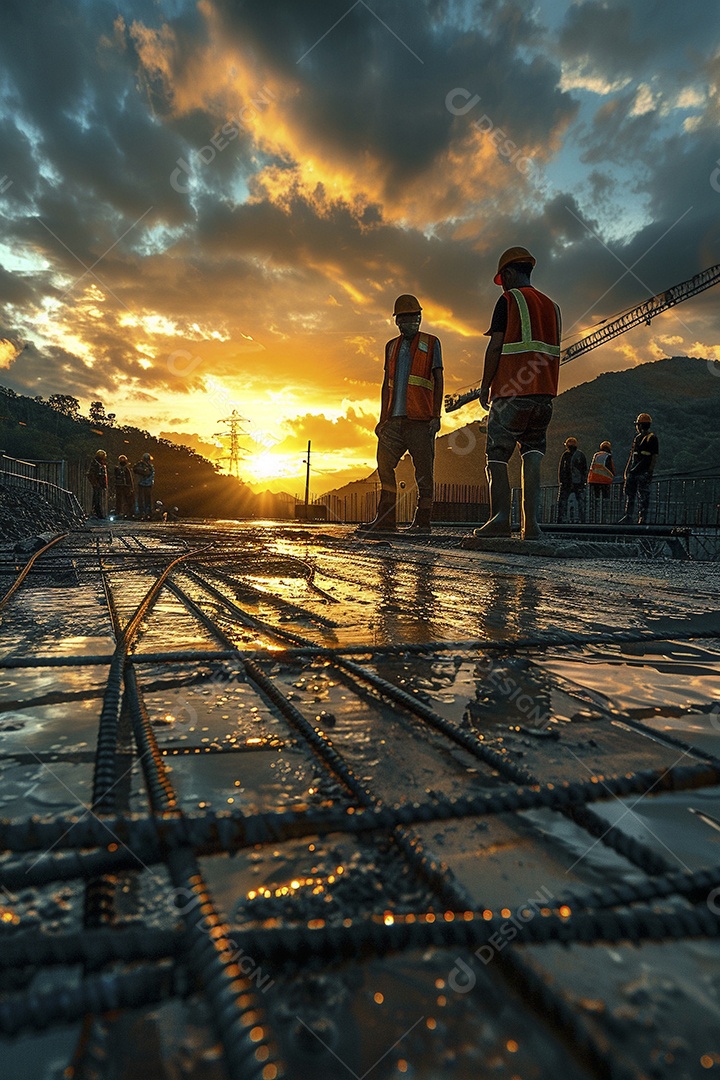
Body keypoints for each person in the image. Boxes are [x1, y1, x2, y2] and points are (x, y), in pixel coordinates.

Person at [474, 246, 562, 541]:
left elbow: (496, 346)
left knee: (497, 454)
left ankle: (499, 519)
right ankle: (532, 526)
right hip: (544, 397)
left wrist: (486, 385)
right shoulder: (552, 306)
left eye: (503, 278)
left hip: (512, 392)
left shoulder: (509, 300)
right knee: (533, 452)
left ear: (509, 273)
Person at [360, 293, 443, 533]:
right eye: (404, 317)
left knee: (424, 472)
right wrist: (382, 419)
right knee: (384, 467)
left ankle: (423, 521)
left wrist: (436, 416)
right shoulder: (391, 346)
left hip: (420, 420)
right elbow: (387, 383)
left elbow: (438, 379)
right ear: (397, 321)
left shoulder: (432, 342)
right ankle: (385, 519)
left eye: (413, 316)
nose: (409, 321)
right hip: (393, 421)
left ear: (420, 317)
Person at [620, 413, 658, 524]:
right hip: (635, 472)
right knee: (632, 495)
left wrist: (649, 472)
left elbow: (654, 457)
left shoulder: (651, 438)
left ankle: (641, 518)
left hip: (642, 472)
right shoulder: (638, 438)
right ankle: (630, 516)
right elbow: (632, 455)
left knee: (642, 496)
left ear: (640, 425)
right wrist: (627, 471)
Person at [557, 437, 587, 523]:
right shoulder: (578, 455)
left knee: (563, 501)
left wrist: (561, 481)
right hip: (574, 482)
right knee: (580, 501)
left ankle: (561, 519)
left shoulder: (566, 455)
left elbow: (561, 469)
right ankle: (581, 519)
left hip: (570, 482)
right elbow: (584, 469)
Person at [587, 440, 615, 521]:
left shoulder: (596, 455)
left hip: (593, 480)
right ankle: (604, 517)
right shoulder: (608, 456)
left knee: (595, 499)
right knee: (605, 499)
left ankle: (594, 517)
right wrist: (613, 476)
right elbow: (611, 468)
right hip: (604, 480)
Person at [86, 449, 108, 519]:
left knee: (98, 499)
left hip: (100, 483)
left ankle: (98, 513)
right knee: (96, 499)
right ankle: (97, 513)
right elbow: (91, 474)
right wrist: (95, 483)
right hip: (96, 483)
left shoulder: (101, 463)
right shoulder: (95, 463)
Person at [133, 452, 155, 520]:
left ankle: (145, 513)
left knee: (145, 500)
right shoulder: (147, 466)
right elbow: (135, 470)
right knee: (144, 500)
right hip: (144, 484)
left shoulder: (149, 466)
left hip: (145, 484)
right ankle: (144, 513)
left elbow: (149, 473)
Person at [113, 454, 134, 519]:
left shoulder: (125, 469)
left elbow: (129, 478)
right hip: (120, 486)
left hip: (125, 486)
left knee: (126, 500)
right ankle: (120, 512)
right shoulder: (117, 469)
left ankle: (127, 512)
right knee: (119, 500)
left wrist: (131, 487)